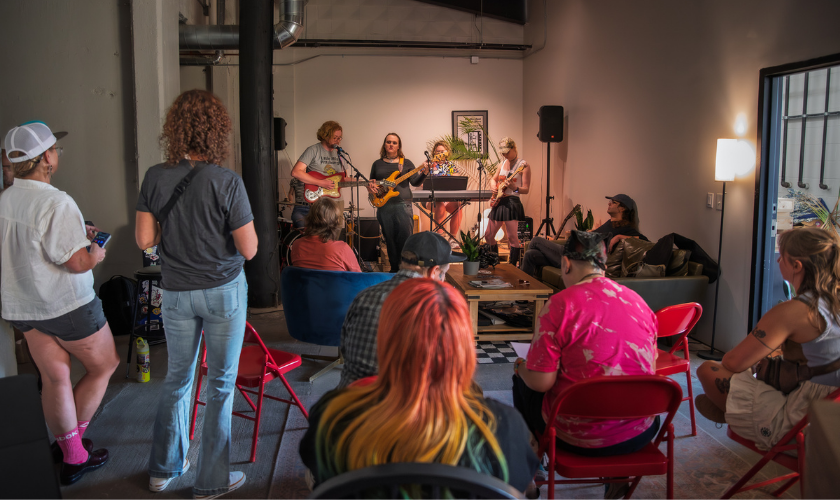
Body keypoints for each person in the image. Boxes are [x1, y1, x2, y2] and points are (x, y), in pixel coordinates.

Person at [302, 278, 539, 493]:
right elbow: (524, 488)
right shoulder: (505, 429)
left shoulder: (332, 417)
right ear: (465, 349)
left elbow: (320, 471)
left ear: (385, 340)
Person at [136, 90, 258, 499]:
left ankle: (162, 470)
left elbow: (145, 240)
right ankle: (211, 482)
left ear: (175, 129)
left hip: (175, 292)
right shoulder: (227, 181)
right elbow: (249, 249)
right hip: (223, 291)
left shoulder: (154, 176)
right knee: (220, 384)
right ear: (217, 131)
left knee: (177, 379)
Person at [0, 121, 119, 485]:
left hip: (23, 307)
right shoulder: (56, 201)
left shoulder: (5, 199)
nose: (56, 154)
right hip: (66, 306)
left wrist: (77, 235)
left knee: (55, 377)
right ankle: (74, 451)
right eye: (54, 149)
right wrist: (95, 252)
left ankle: (70, 451)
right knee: (104, 365)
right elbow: (77, 262)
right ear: (46, 159)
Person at [512, 230, 659, 498]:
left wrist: (520, 367)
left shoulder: (560, 305)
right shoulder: (639, 302)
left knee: (522, 380)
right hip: (638, 432)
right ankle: (616, 475)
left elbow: (541, 382)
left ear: (566, 263)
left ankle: (532, 466)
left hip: (575, 435)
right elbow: (651, 366)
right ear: (603, 264)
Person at [695, 227, 840, 450]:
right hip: (833, 405)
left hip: (807, 418)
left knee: (708, 370)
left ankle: (728, 411)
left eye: (782, 256)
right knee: (762, 364)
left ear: (797, 266)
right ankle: (730, 409)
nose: (778, 260)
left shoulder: (795, 310)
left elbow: (732, 362)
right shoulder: (832, 301)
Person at [338, 231, 465, 388]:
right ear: (433, 272)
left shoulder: (363, 296)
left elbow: (345, 349)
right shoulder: (439, 309)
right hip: (402, 400)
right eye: (444, 274)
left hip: (349, 398)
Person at [521, 193, 648, 278]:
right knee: (530, 255)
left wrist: (620, 237)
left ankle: (524, 294)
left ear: (623, 208)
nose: (609, 204)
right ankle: (524, 300)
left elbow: (645, 241)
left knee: (536, 241)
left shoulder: (625, 228)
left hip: (578, 258)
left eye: (613, 202)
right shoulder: (610, 223)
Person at [366, 133, 428, 272]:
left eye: (394, 142)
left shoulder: (406, 163)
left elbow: (415, 182)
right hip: (384, 206)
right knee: (389, 239)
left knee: (405, 239)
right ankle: (394, 270)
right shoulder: (377, 164)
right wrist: (370, 188)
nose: (391, 145)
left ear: (399, 146)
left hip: (403, 205)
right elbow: (372, 183)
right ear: (384, 144)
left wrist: (425, 172)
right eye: (388, 142)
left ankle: (406, 270)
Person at [485, 137, 531, 268]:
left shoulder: (523, 165)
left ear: (513, 148)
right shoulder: (502, 164)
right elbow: (493, 179)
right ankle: (495, 263)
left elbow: (526, 189)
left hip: (512, 202)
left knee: (512, 237)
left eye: (506, 152)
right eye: (503, 153)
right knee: (488, 235)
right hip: (499, 200)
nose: (504, 155)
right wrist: (493, 185)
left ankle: (512, 266)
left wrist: (515, 188)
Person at [290, 121, 344, 228]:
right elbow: (296, 172)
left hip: (337, 201)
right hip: (320, 201)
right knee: (321, 234)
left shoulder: (339, 153)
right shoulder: (313, 150)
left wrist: (366, 183)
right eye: (335, 137)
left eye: (340, 138)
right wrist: (321, 183)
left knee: (335, 234)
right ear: (325, 135)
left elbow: (343, 178)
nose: (338, 140)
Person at [290, 197, 360, 272]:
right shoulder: (342, 249)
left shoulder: (297, 245)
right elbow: (358, 277)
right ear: (334, 221)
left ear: (310, 218)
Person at [419, 141, 462, 246]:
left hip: (447, 198)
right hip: (430, 198)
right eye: (438, 151)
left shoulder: (450, 165)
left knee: (458, 206)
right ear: (434, 152)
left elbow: (458, 181)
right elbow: (420, 182)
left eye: (442, 151)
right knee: (440, 205)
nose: (440, 153)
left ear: (447, 152)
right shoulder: (428, 164)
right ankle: (440, 239)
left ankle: (452, 239)